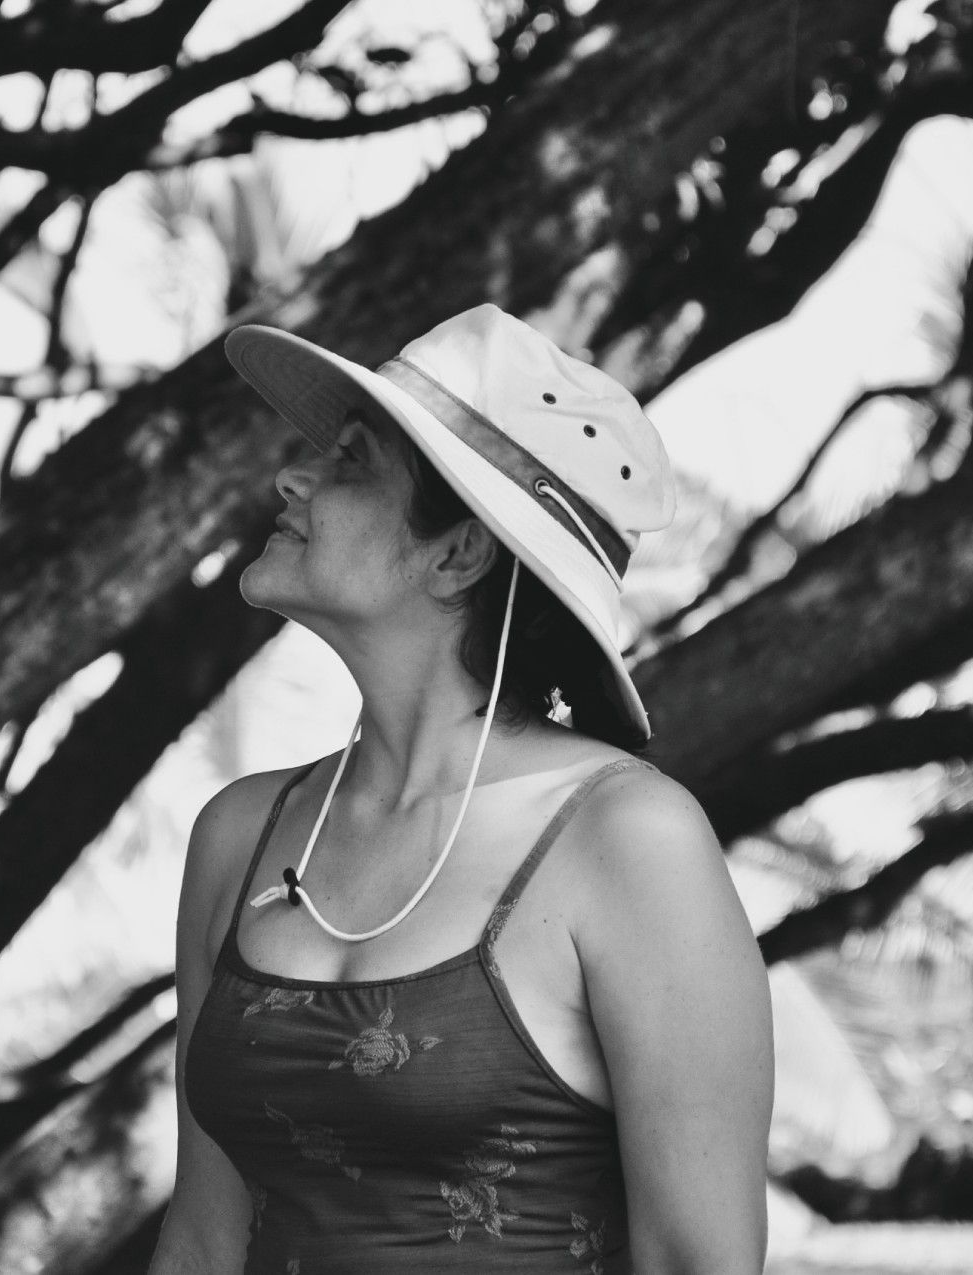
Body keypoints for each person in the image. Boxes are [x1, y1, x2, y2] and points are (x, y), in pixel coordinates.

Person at [147, 305, 774, 1274]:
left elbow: (699, 1261)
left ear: (459, 553)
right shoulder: (242, 835)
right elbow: (201, 1239)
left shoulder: (625, 838)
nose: (291, 475)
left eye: (351, 462)